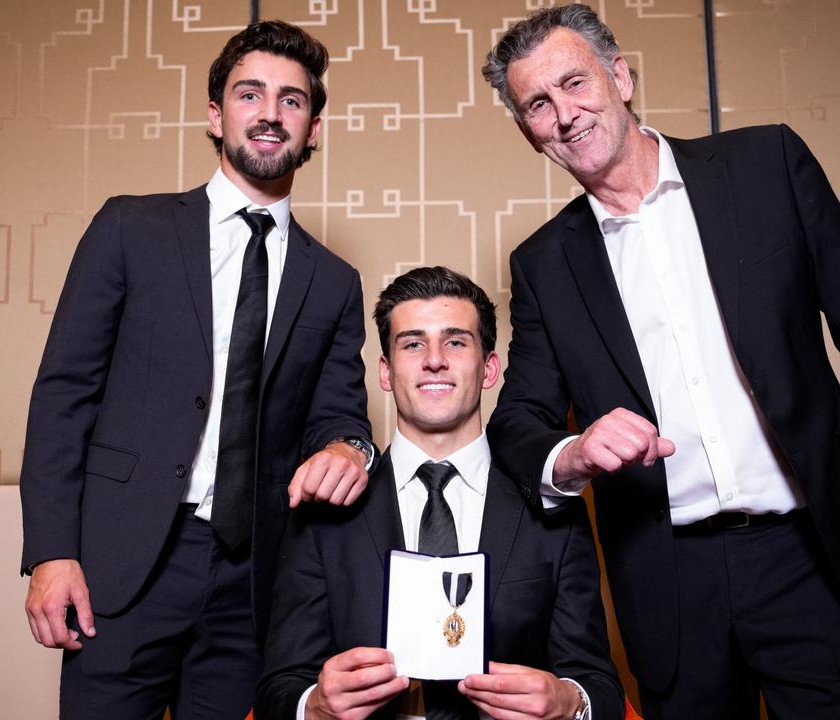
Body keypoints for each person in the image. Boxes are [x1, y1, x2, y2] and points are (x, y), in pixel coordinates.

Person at [482, 5, 840, 718]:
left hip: (814, 556)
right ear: (525, 131)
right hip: (670, 586)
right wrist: (572, 454)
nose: (564, 113)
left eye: (575, 83)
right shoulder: (543, 264)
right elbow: (518, 421)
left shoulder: (767, 166)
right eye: (537, 104)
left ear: (620, 76)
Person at [19, 21, 376, 719]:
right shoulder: (130, 229)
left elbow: (342, 414)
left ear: (314, 129)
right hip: (122, 564)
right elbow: (64, 394)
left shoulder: (334, 281)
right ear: (217, 115)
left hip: (254, 580)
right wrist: (51, 553)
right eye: (251, 94)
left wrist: (347, 447)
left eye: (292, 101)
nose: (271, 113)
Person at [255, 266, 623, 720]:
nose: (434, 359)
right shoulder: (325, 508)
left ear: (489, 368)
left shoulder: (551, 507)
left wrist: (570, 702)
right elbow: (278, 686)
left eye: (455, 341)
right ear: (386, 373)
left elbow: (599, 684)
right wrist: (313, 706)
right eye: (412, 343)